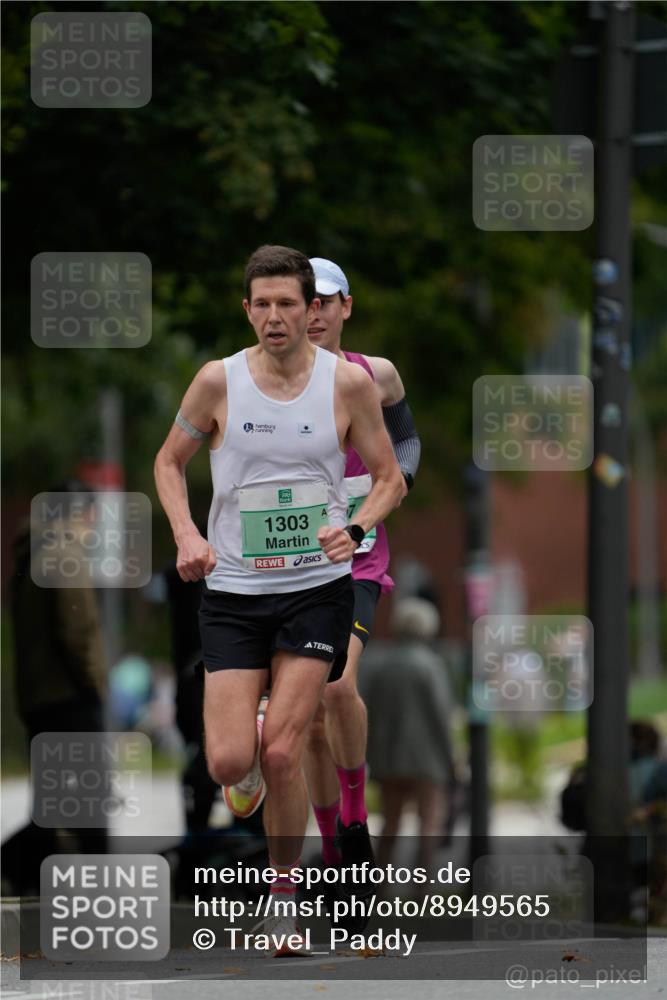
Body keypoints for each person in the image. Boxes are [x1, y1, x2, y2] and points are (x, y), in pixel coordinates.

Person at [154, 245, 404, 955]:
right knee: (232, 761)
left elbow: (388, 477)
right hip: (232, 590)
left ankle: (283, 897)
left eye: (287, 304)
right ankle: (249, 767)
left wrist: (354, 528)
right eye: (260, 304)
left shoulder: (347, 387)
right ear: (247, 310)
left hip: (314, 592)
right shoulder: (217, 382)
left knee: (288, 749)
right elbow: (168, 462)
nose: (274, 316)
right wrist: (184, 534)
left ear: (312, 309)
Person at [301, 257, 421, 878]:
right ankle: (330, 849)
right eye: (304, 301)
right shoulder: (256, 381)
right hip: (287, 567)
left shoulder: (376, 375)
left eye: (325, 301)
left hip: (358, 563)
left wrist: (395, 485)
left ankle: (353, 822)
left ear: (347, 306)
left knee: (337, 686)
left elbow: (405, 442)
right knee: (312, 719)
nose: (312, 313)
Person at [1, 480, 108, 896]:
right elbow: (77, 632)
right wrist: (95, 685)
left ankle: (24, 871)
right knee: (89, 800)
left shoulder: (31, 555)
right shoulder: (64, 555)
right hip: (71, 698)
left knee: (54, 802)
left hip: (39, 698)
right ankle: (103, 886)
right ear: (83, 514)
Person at [360, 598, 454, 882]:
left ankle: (379, 891)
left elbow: (368, 712)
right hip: (427, 761)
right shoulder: (432, 666)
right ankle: (421, 892)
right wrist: (452, 760)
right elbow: (441, 717)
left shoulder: (379, 664)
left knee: (389, 825)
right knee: (429, 826)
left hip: (388, 759)